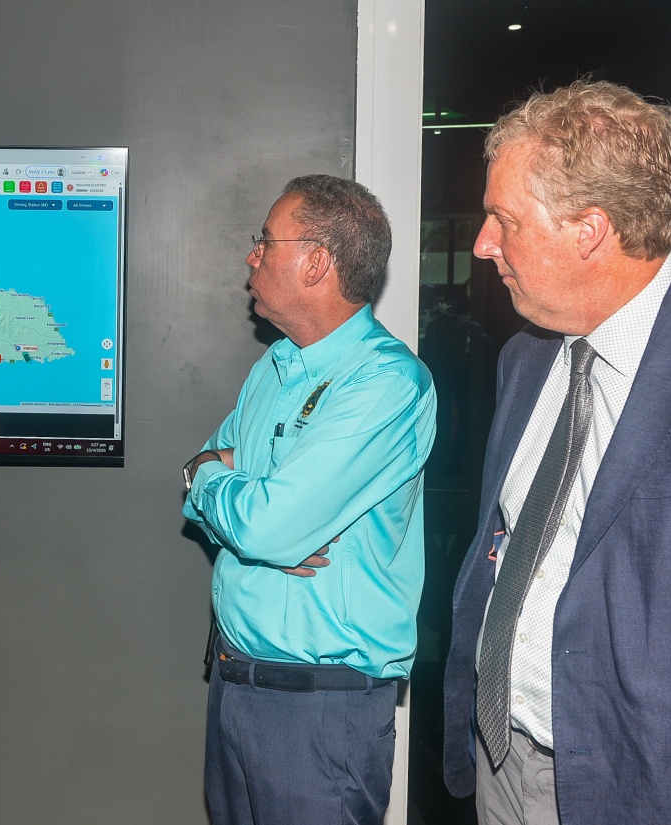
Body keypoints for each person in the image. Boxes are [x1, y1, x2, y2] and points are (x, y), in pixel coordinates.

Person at [443, 80, 671, 824]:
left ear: (590, 230)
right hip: (503, 756)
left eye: (504, 219)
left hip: (651, 786)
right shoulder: (526, 358)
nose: (482, 243)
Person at [181, 174, 436, 824]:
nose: (252, 254)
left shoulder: (384, 382)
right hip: (235, 685)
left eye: (266, 240)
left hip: (321, 709)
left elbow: (264, 524)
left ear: (316, 261)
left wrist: (226, 488)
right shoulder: (273, 366)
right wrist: (224, 488)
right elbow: (204, 487)